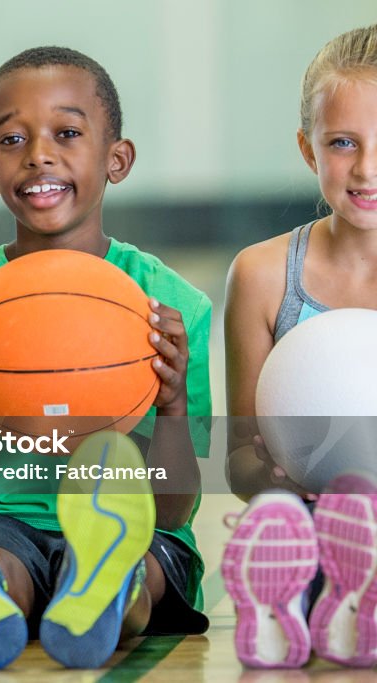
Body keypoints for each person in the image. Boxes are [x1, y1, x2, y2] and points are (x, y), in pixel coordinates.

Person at [0, 46, 213, 670]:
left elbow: (174, 507)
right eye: (13, 139)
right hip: (2, 522)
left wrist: (171, 404)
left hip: (139, 525)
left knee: (146, 561)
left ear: (116, 159)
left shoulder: (173, 307)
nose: (39, 153)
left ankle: (103, 582)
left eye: (67, 133)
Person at [222, 23, 377, 669]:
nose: (366, 167)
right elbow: (237, 460)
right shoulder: (262, 276)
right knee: (296, 526)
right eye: (343, 143)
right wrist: (275, 478)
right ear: (309, 150)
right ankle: (311, 594)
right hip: (314, 527)